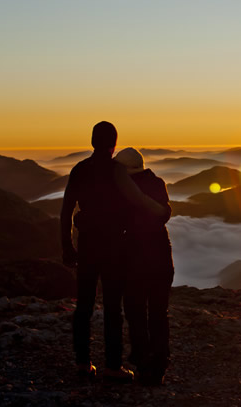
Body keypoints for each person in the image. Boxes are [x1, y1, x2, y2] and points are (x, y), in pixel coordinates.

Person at [60, 121, 170, 381]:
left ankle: (82, 363)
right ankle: (112, 367)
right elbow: (137, 201)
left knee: (84, 306)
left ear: (91, 142)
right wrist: (163, 211)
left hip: (86, 244)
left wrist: (67, 246)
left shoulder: (79, 169)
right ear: (114, 144)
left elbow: (66, 211)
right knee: (112, 307)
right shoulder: (117, 171)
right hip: (113, 248)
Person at [114, 147, 174, 386]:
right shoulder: (157, 183)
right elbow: (164, 214)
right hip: (160, 252)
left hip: (135, 255)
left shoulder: (122, 188)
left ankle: (142, 362)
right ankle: (159, 364)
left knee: (135, 309)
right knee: (159, 311)